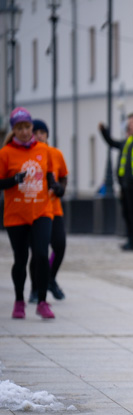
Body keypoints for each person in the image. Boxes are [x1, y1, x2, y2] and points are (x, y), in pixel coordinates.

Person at [0, 107, 63, 319]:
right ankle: (19, 300)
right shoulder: (5, 153)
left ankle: (42, 301)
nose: (25, 132)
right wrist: (13, 180)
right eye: (20, 128)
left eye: (27, 127)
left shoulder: (44, 150)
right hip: (16, 214)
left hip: (42, 211)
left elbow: (49, 176)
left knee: (41, 256)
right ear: (14, 130)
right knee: (21, 258)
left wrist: (57, 187)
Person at [27, 119, 68, 303]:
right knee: (38, 252)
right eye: (35, 132)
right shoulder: (27, 154)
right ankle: (36, 289)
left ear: (47, 135)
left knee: (59, 246)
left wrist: (60, 188)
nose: (39, 136)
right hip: (35, 210)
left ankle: (50, 278)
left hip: (54, 208)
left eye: (42, 132)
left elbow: (63, 176)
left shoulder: (55, 154)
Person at [99, 112, 133, 250]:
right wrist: (104, 132)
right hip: (126, 185)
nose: (128, 127)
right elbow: (113, 143)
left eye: (131, 124)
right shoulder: (130, 140)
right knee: (129, 214)